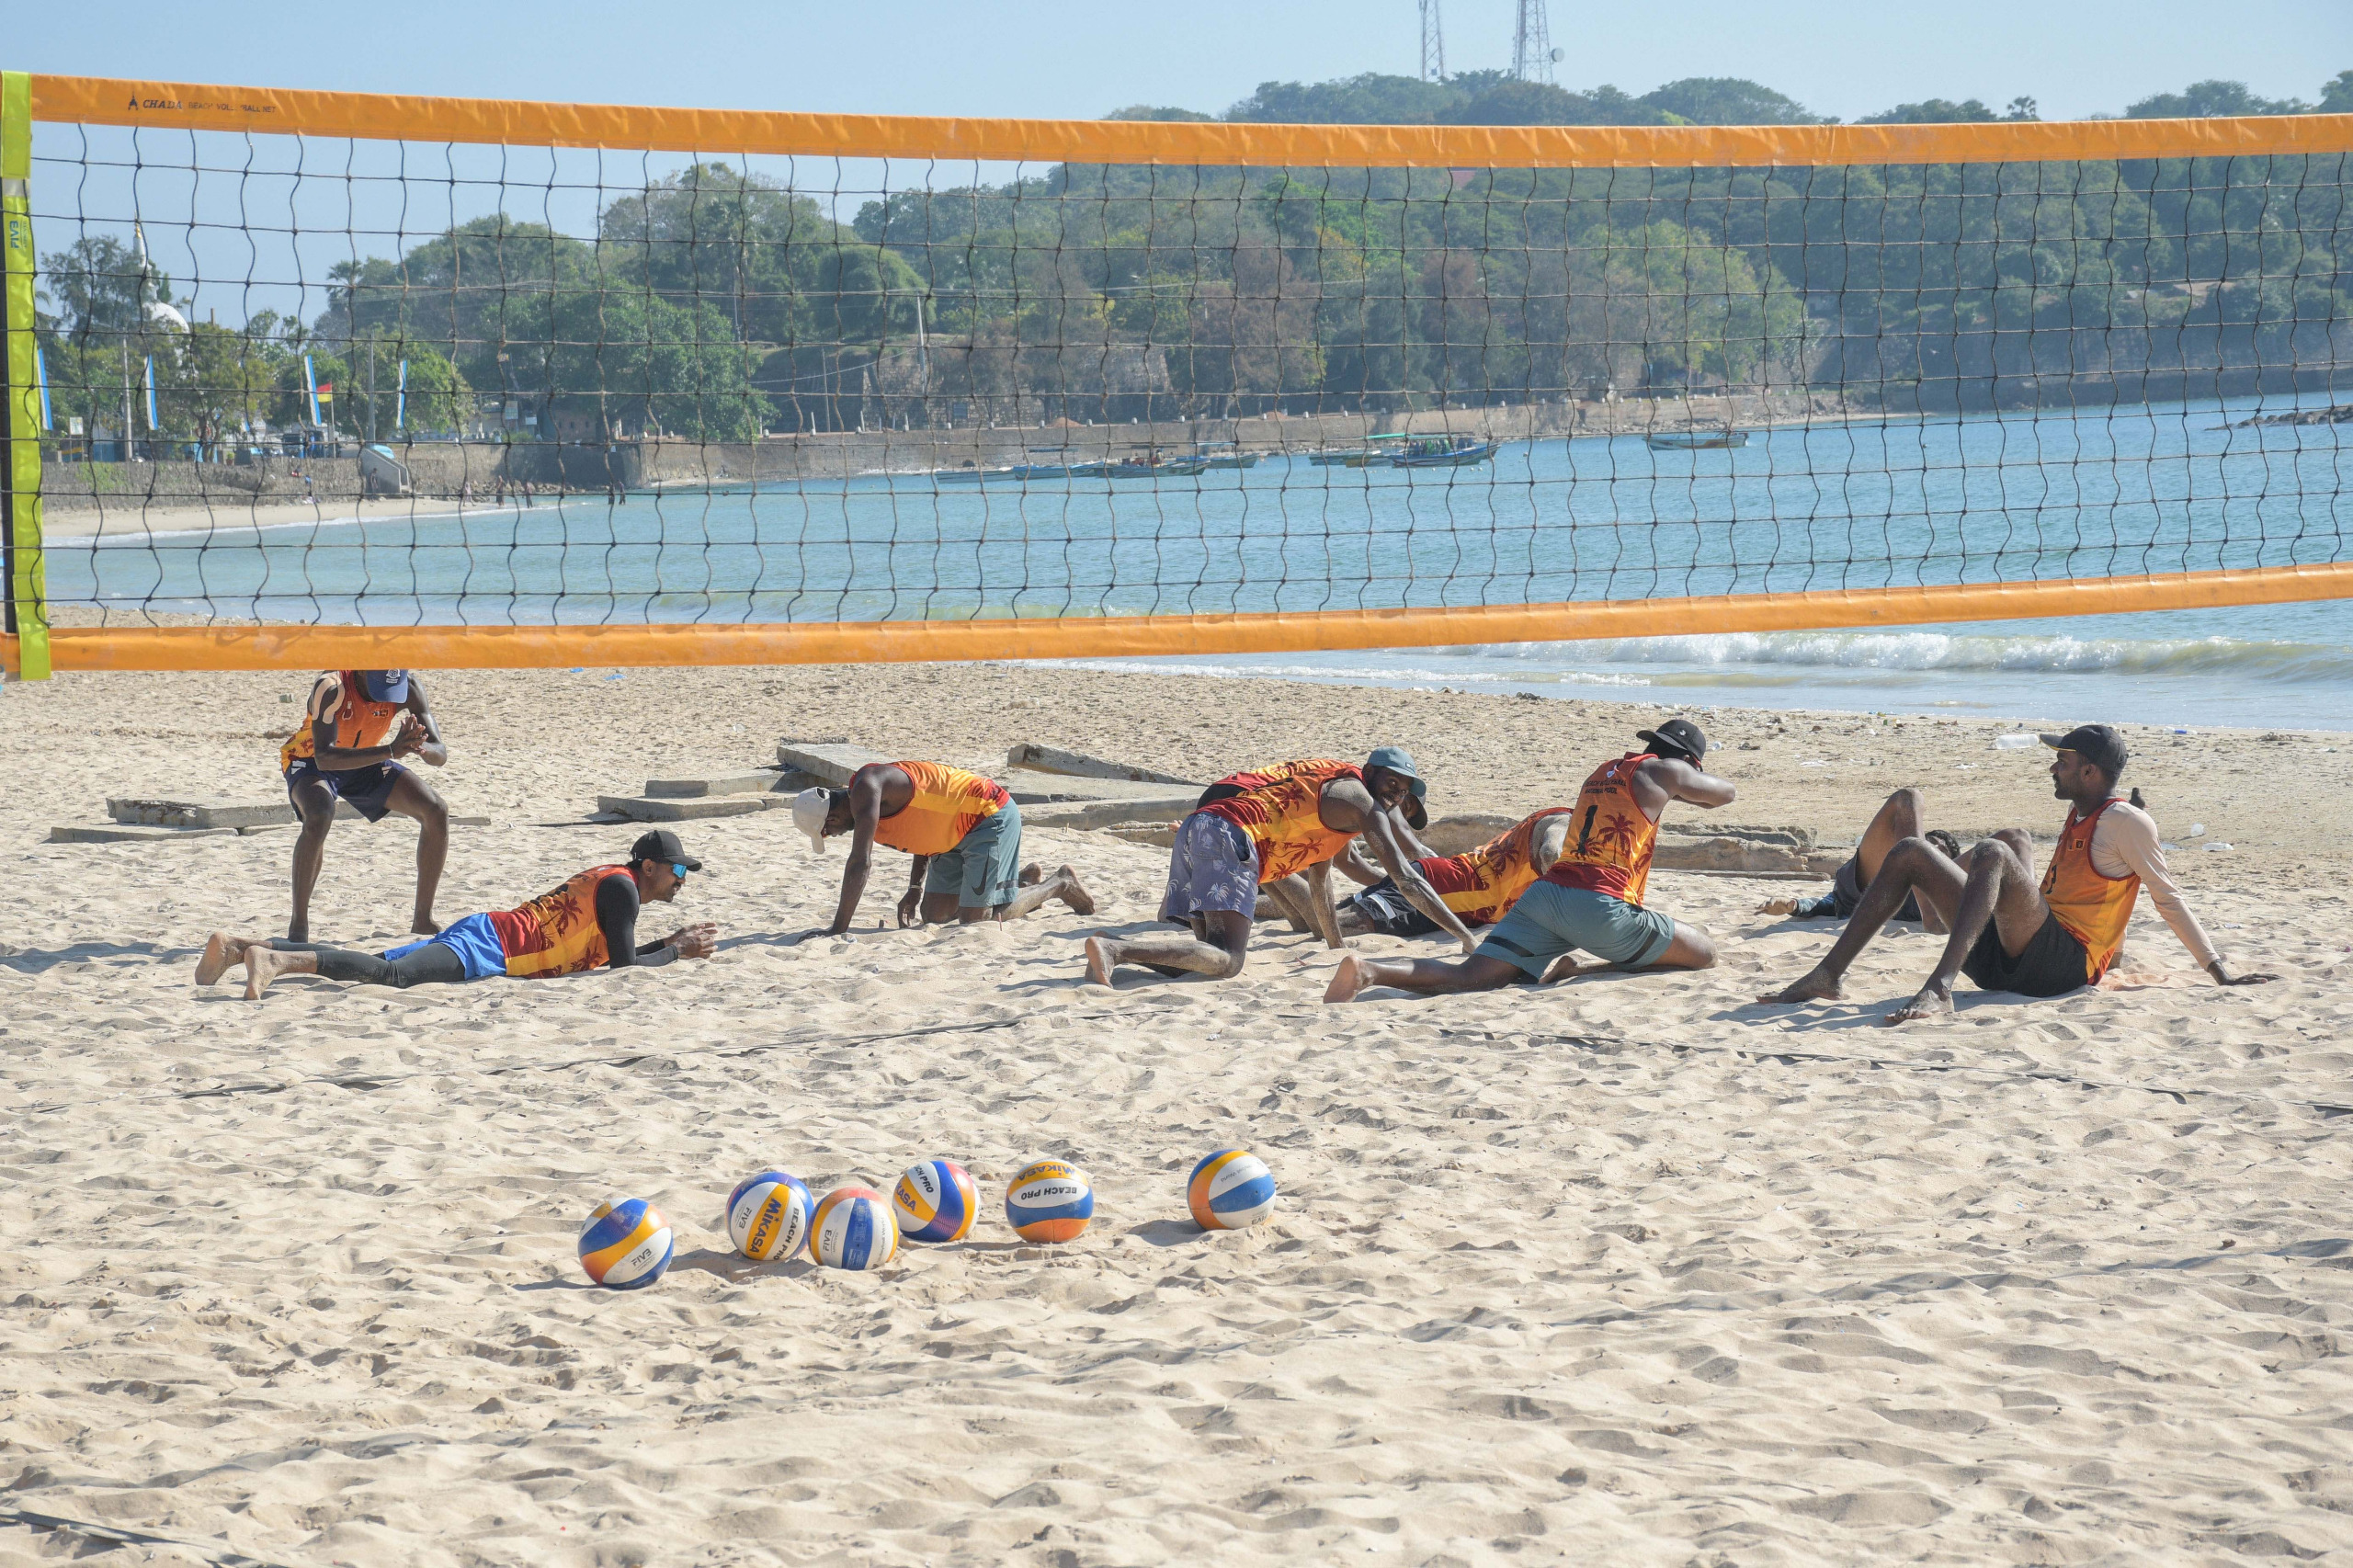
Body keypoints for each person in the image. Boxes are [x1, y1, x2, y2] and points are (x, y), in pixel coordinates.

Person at [1756, 725, 2276, 1025]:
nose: (2053, 768)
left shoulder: (2126, 822)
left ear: (2090, 771)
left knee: (1994, 851)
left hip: (2063, 966)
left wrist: (2218, 970)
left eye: (2063, 761)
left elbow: (2168, 897)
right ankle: (1828, 975)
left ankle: (1940, 986)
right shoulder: (2083, 811)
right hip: (2011, 962)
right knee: (1911, 851)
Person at [1324, 719, 1733, 1003]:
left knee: (1473, 976)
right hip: (1599, 902)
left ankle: (1370, 971)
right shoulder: (1667, 771)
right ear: (1686, 761)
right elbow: (1723, 796)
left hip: (1544, 896)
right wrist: (1688, 777)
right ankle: (1579, 970)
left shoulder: (1604, 772)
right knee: (1705, 952)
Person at [1086, 747, 1476, 985]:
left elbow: (1322, 884)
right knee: (1228, 960)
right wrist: (1466, 937)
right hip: (1230, 834)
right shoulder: (1362, 802)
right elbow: (1406, 878)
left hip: (1203, 826)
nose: (1397, 795)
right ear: (1370, 773)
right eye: (1393, 783)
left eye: (1404, 792)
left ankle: (1115, 950)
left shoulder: (1339, 808)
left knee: (1203, 959)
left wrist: (1335, 945)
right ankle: (1113, 950)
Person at [198, 829, 717, 999]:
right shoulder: (622, 889)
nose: (682, 879)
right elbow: (624, 971)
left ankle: (242, 948)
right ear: (650, 867)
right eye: (678, 869)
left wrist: (669, 942)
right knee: (394, 976)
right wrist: (676, 952)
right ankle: (275, 962)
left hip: (492, 934)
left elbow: (618, 956)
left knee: (379, 963)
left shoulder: (619, 884)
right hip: (493, 946)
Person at [793, 761, 1093, 934]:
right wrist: (915, 887)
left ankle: (1058, 883)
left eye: (827, 833)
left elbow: (860, 862)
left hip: (988, 815)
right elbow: (922, 828)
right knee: (934, 915)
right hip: (951, 835)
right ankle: (1020, 884)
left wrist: (838, 929)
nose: (833, 836)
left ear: (831, 818)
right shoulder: (865, 807)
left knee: (974, 919)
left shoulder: (866, 789)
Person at [279, 669, 450, 942]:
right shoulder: (331, 687)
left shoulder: (408, 686)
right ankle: (298, 927)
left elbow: (440, 753)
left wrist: (421, 746)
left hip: (366, 759)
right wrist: (391, 751)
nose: (382, 698)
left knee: (436, 810)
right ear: (359, 669)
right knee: (320, 814)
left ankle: (423, 920)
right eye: (378, 688)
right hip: (310, 760)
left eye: (390, 690)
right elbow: (325, 757)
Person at [1337, 805, 1575, 937]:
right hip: (1444, 890)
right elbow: (1549, 853)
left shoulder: (1550, 815)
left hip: (1436, 877)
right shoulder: (1567, 821)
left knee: (1328, 916)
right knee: (1343, 924)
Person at [1756, 789, 1961, 930]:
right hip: (1865, 886)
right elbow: (1834, 903)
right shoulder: (1901, 850)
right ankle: (1929, 912)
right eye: (1931, 842)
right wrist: (1794, 905)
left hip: (1908, 900)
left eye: (1942, 852)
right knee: (1907, 797)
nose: (1934, 849)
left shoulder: (1944, 893)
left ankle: (1929, 911)